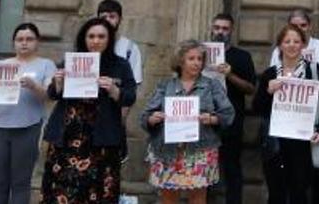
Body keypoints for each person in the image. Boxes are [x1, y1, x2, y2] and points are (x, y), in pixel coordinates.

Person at [42, 17, 138, 203]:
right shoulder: (71, 61)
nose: (96, 41)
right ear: (83, 38)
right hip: (67, 138)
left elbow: (130, 97)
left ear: (109, 39)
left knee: (99, 192)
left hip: (101, 138)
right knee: (63, 191)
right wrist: (58, 82)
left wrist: (114, 90)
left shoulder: (120, 65)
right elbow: (52, 95)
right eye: (91, 36)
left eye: (101, 36)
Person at [141, 40, 236, 204]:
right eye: (191, 58)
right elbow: (144, 116)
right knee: (168, 197)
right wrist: (152, 118)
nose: (197, 63)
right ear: (180, 61)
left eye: (200, 59)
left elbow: (228, 114)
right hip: (168, 151)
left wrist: (212, 119)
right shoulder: (165, 86)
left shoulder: (212, 85)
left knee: (198, 198)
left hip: (201, 150)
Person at [254, 24, 319, 204]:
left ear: (303, 45)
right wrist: (268, 91)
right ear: (279, 45)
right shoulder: (270, 74)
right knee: (276, 193)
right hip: (276, 144)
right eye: (287, 41)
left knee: (300, 192)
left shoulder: (313, 71)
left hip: (302, 143)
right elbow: (257, 108)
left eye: (296, 41)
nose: (292, 45)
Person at [0, 23, 55, 204]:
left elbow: (49, 96)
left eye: (29, 39)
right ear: (13, 43)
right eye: (19, 39)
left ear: (37, 42)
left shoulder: (46, 65)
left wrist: (33, 85)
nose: (24, 43)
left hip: (28, 129)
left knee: (21, 183)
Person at [206, 13, 256, 204]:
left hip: (231, 120)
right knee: (203, 168)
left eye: (225, 29)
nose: (220, 32)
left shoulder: (242, 56)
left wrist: (230, 74)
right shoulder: (200, 54)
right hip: (204, 118)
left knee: (231, 168)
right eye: (217, 28)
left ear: (231, 31)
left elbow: (251, 88)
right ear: (212, 29)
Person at [270, 10, 319, 96]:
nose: (299, 29)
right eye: (294, 26)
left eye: (303, 25)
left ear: (310, 26)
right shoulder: (279, 51)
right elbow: (272, 78)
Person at [98, 0, 143, 85]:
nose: (107, 20)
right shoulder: (91, 45)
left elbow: (133, 83)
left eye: (112, 17)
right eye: (103, 17)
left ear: (120, 19)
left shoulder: (130, 48)